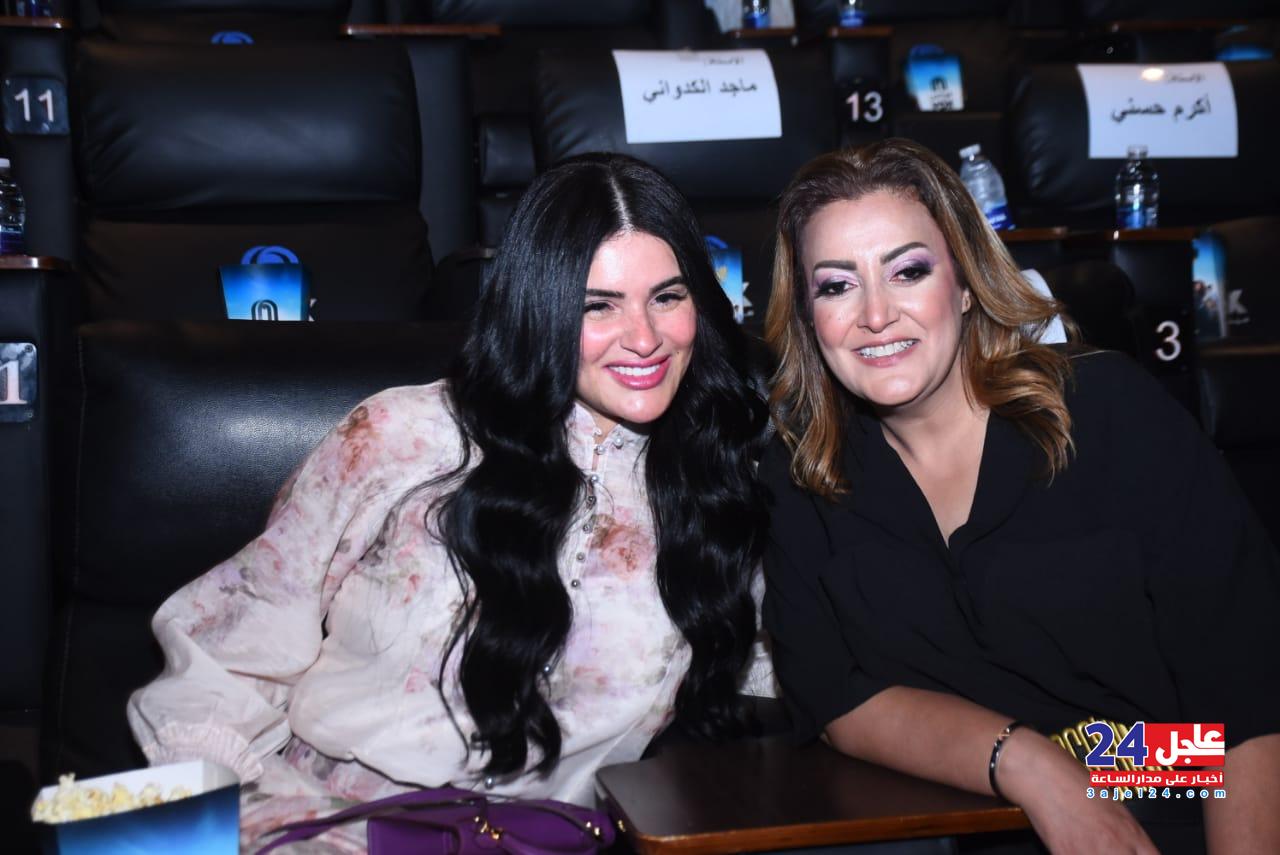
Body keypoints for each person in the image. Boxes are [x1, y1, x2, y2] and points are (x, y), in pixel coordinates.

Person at [128, 153, 772, 851]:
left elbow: (791, 675)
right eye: (598, 305)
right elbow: (229, 655)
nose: (644, 338)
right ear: (540, 308)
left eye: (667, 297)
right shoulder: (404, 436)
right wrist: (224, 829)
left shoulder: (717, 487)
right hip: (312, 826)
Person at [760, 138, 1280, 855]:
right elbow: (833, 696)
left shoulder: (1107, 410)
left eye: (909, 271)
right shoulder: (801, 470)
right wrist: (1032, 764)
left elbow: (1248, 695)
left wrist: (1113, 777)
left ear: (966, 283)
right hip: (968, 820)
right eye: (837, 286)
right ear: (808, 317)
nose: (876, 314)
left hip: (1180, 806)